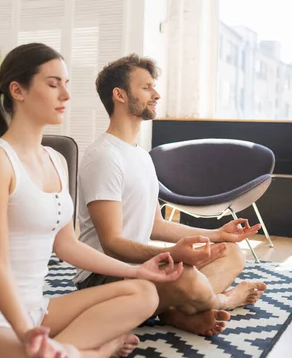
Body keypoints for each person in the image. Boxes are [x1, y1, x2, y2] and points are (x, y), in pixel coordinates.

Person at [0, 43, 185, 358]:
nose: (66, 94)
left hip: (37, 310)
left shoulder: (57, 160)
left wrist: (137, 271)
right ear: (18, 90)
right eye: (54, 84)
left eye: (67, 83)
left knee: (145, 293)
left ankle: (53, 351)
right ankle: (91, 352)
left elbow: (68, 245)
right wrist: (25, 333)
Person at [73, 54, 267, 336]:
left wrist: (217, 235)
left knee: (232, 254)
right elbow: (112, 243)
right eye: (147, 87)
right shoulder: (103, 157)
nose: (156, 94)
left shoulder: (141, 156)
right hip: (102, 276)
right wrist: (170, 256)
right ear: (120, 95)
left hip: (139, 267)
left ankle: (174, 312)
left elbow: (157, 226)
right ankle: (222, 300)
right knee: (186, 277)